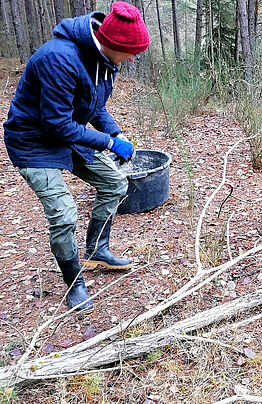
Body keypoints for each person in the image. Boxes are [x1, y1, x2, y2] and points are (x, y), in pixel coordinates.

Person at [3, 2, 150, 312]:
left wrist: (116, 133)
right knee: (65, 215)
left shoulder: (103, 60)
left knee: (114, 183)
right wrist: (108, 142)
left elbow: (94, 106)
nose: (135, 57)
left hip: (67, 133)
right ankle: (74, 284)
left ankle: (98, 249)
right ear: (114, 44)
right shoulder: (59, 58)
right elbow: (57, 125)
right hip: (33, 143)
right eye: (133, 52)